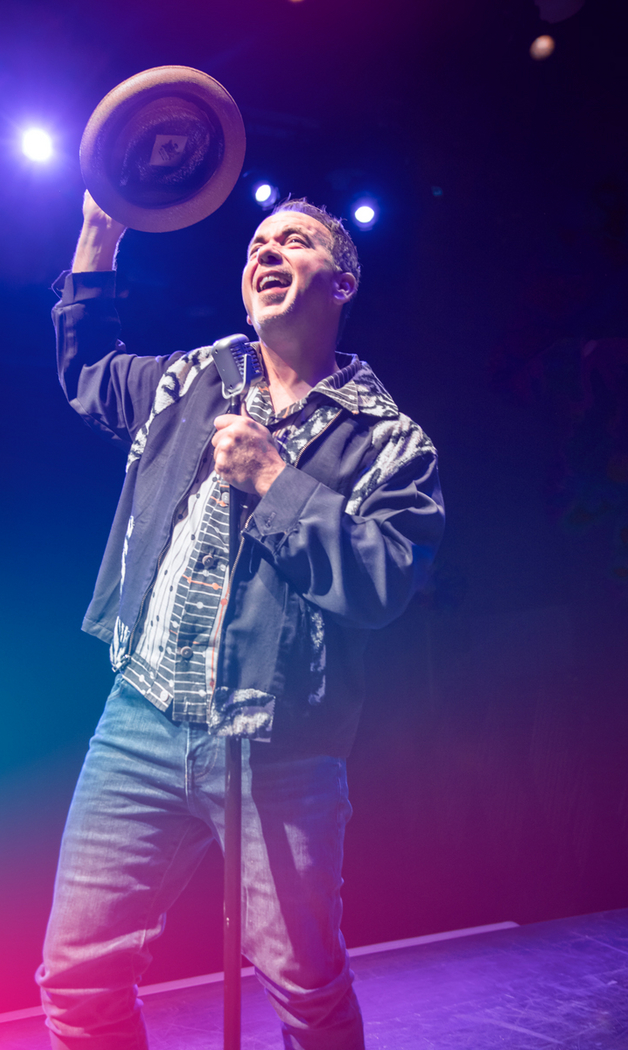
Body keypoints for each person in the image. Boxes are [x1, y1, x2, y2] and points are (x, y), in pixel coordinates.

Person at [36, 190, 445, 1050]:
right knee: (78, 983)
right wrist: (99, 235)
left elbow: (384, 582)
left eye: (292, 241)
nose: (265, 251)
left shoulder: (390, 441)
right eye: (257, 242)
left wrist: (275, 479)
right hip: (139, 723)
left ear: (342, 280)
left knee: (305, 988)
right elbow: (88, 378)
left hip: (281, 747)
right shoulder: (194, 379)